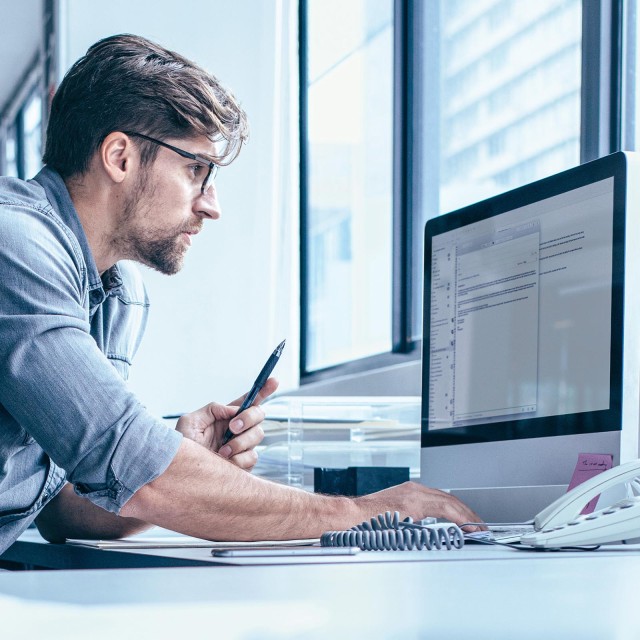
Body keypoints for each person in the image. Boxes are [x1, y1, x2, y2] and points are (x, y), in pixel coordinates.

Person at [0, 34, 480, 554]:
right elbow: (131, 463)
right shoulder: (16, 244)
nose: (212, 206)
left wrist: (191, 465)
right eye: (196, 170)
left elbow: (59, 507)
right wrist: (364, 513)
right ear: (119, 156)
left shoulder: (118, 293)